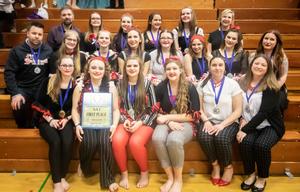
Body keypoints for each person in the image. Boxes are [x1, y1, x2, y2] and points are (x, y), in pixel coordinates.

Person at [237, 54, 284, 192]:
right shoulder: (242, 82)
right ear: (251, 65)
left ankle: (262, 178)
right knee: (245, 142)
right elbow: (238, 104)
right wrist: (241, 119)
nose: (259, 67)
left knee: (261, 145)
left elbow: (264, 113)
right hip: (249, 123)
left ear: (268, 69)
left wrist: (244, 129)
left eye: (263, 65)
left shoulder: (271, 86)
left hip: (269, 125)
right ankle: (250, 174)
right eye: (256, 63)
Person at [152, 57, 200, 192]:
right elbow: (154, 111)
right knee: (157, 138)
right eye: (168, 69)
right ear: (165, 71)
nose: (171, 71)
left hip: (186, 123)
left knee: (174, 139)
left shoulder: (190, 87)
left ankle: (178, 180)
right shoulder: (161, 87)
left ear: (180, 70)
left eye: (174, 68)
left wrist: (168, 117)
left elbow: (193, 115)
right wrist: (168, 121)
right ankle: (170, 178)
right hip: (166, 121)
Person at [72, 56, 120, 192]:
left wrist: (114, 125)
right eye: (93, 67)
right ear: (88, 69)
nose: (97, 70)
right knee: (89, 142)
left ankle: (108, 180)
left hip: (106, 122)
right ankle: (85, 166)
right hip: (87, 122)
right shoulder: (81, 86)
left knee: (105, 142)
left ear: (105, 70)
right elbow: (74, 109)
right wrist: (77, 125)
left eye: (100, 68)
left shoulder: (110, 86)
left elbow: (116, 110)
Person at [112, 56, 158, 189]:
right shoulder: (119, 84)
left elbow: (153, 108)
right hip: (125, 120)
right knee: (117, 140)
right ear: (124, 68)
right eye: (129, 66)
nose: (132, 68)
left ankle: (144, 172)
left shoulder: (147, 83)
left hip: (144, 121)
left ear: (140, 68)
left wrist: (140, 123)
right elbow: (116, 107)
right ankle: (124, 174)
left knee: (135, 142)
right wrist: (124, 120)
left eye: (135, 66)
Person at [197, 56, 242, 186]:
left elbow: (238, 111)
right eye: (214, 65)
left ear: (224, 67)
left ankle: (228, 167)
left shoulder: (233, 84)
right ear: (209, 67)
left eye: (220, 65)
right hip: (208, 121)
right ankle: (215, 165)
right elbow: (198, 108)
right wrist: (206, 121)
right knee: (204, 137)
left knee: (221, 138)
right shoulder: (202, 84)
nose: (217, 68)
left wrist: (222, 125)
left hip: (228, 121)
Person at [32, 56, 75, 192]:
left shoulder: (76, 85)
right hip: (47, 120)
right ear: (59, 67)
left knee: (68, 141)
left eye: (70, 66)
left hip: (66, 120)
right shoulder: (48, 82)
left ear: (74, 68)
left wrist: (67, 118)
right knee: (56, 142)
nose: (67, 68)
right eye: (64, 65)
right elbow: (36, 103)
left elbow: (79, 107)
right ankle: (56, 182)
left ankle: (62, 176)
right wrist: (50, 119)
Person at [4, 21, 52, 128]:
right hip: (23, 88)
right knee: (18, 104)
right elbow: (9, 73)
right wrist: (15, 93)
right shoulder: (17, 51)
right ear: (28, 33)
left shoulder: (48, 50)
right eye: (34, 33)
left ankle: (39, 127)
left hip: (40, 89)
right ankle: (23, 129)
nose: (37, 36)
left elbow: (51, 72)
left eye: (39, 34)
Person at [249, 30, 289, 114]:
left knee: (276, 102)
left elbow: (283, 76)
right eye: (266, 38)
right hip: (257, 85)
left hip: (275, 86)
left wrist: (273, 88)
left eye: (272, 39)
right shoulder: (253, 55)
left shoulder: (281, 57)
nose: (268, 41)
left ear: (277, 42)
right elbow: (250, 74)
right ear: (262, 40)